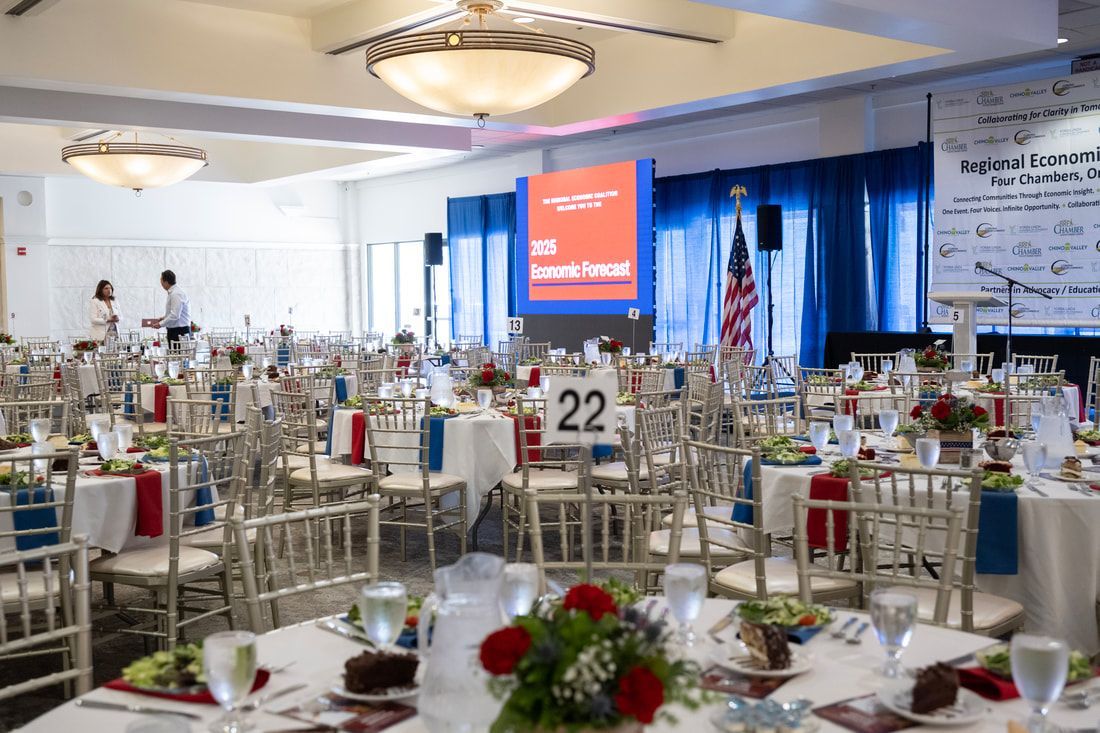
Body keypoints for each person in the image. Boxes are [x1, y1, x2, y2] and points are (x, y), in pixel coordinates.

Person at [153, 269, 191, 345]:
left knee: (178, 353)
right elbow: (176, 312)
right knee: (174, 352)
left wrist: (160, 324)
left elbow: (175, 315)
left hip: (179, 331)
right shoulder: (174, 292)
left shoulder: (176, 294)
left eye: (161, 280)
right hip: (176, 330)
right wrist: (164, 318)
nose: (161, 283)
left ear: (166, 282)